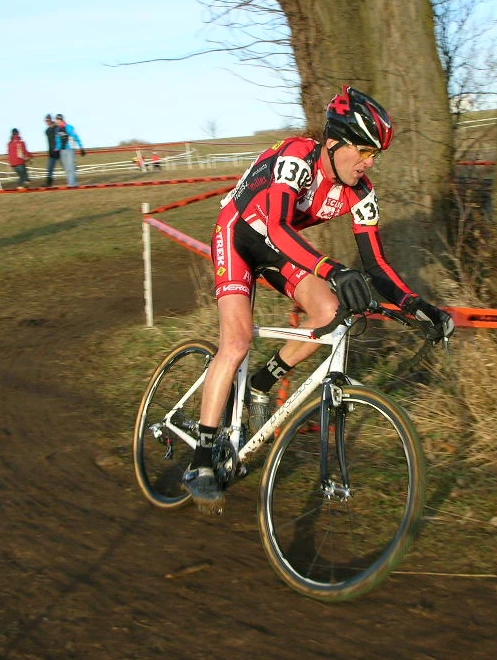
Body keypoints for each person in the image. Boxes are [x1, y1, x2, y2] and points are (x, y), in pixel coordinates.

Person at [182, 86, 455, 513]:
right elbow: (272, 223)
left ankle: (261, 383)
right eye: (363, 151)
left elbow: (377, 265)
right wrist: (334, 269)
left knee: (332, 313)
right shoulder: (296, 157)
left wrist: (415, 306)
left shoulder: (362, 193)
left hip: (278, 243)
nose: (368, 162)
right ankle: (200, 457)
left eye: (374, 155)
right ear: (334, 143)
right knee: (235, 342)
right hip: (239, 233)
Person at [54, 114, 85, 187]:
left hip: (70, 149)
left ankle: (72, 184)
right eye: (56, 120)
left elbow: (76, 137)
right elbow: (58, 141)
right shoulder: (57, 129)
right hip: (62, 150)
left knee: (70, 167)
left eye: (58, 120)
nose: (57, 121)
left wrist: (81, 147)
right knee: (67, 168)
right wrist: (56, 150)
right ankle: (71, 181)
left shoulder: (69, 127)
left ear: (61, 120)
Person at [43, 114, 60, 187]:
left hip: (59, 150)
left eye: (48, 120)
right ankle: (48, 183)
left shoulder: (57, 128)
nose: (47, 122)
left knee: (66, 167)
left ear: (50, 120)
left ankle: (72, 180)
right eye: (46, 120)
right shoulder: (47, 131)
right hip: (52, 152)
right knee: (50, 168)